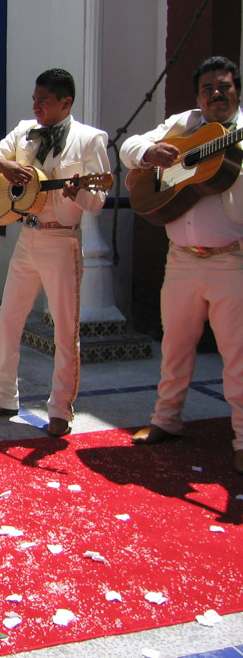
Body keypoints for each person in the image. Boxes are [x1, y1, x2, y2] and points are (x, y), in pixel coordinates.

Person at [120, 55, 243, 474]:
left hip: (232, 261)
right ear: (198, 96)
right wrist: (149, 152)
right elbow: (129, 147)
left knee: (237, 356)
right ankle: (165, 420)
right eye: (208, 88)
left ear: (237, 92)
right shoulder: (183, 123)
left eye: (224, 87)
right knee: (174, 346)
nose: (216, 94)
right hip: (181, 262)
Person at [0, 68, 110, 436]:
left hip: (62, 241)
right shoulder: (23, 131)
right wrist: (1, 164)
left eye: (43, 100)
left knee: (65, 329)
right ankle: (3, 395)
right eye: (34, 98)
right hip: (26, 238)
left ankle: (61, 407)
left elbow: (97, 201)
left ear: (66, 102)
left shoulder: (91, 139)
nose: (35, 105)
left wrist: (77, 192)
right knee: (8, 319)